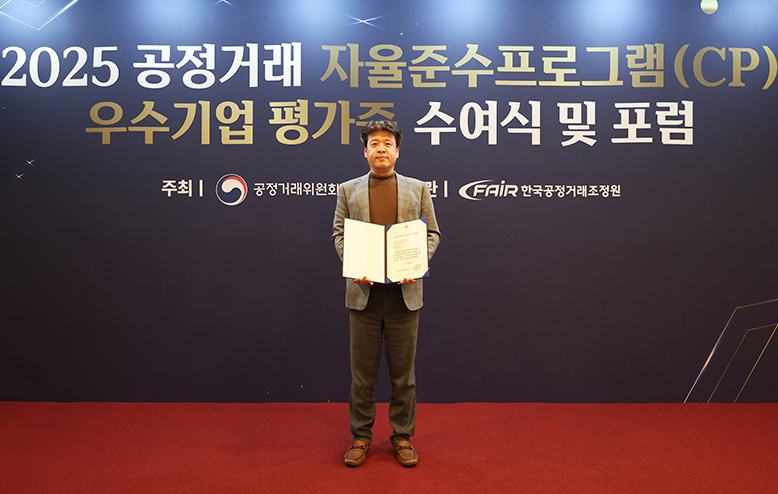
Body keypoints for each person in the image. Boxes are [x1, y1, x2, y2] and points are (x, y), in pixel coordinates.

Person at [331, 120, 441, 467]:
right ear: (365, 151)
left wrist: (416, 264)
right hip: (363, 294)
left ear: (397, 151)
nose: (381, 148)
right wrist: (353, 261)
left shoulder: (417, 189)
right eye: (374, 143)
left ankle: (402, 436)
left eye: (387, 143)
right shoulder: (348, 190)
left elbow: (432, 234)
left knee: (403, 376)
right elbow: (338, 234)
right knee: (362, 376)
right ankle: (360, 437)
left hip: (403, 296)